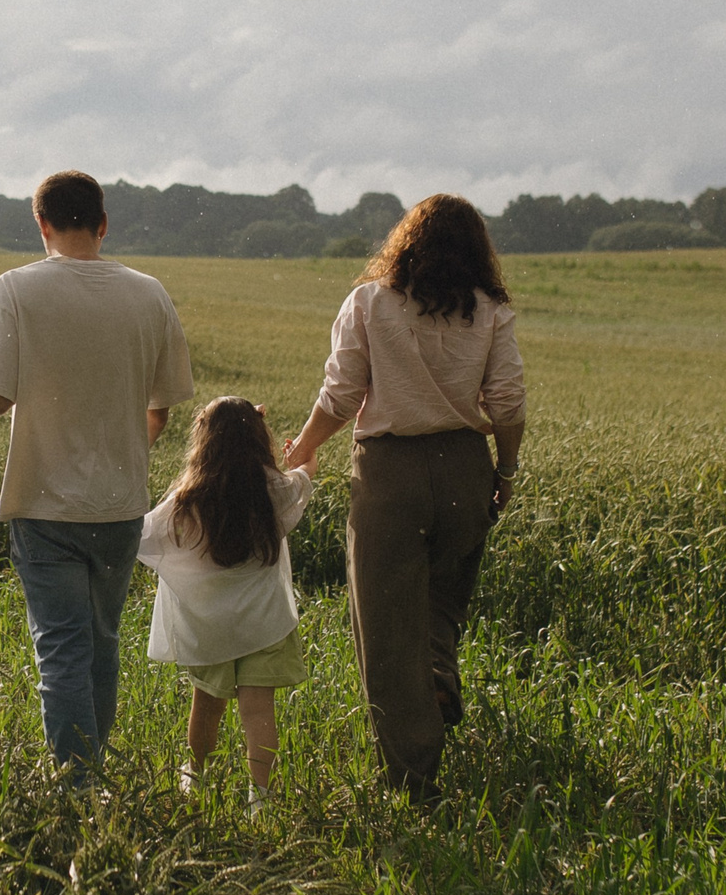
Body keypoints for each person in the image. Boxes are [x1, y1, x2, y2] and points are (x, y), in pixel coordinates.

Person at [0, 171, 193, 775]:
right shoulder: (150, 294)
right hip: (120, 507)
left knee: (62, 651)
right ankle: (94, 778)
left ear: (41, 224)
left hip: (44, 508)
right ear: (103, 225)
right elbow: (158, 413)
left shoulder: (16, 290)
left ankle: (78, 790)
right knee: (102, 645)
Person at [281, 194, 525, 806]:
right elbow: (509, 403)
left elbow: (341, 395)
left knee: (385, 628)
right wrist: (507, 471)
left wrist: (303, 448)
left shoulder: (369, 303)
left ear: (405, 241)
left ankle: (415, 782)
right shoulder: (491, 311)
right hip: (467, 469)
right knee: (443, 600)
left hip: (390, 475)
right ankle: (437, 681)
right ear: (477, 249)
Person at [137, 396, 314, 805]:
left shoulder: (187, 500)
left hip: (208, 628)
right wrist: (305, 453)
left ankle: (194, 778)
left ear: (204, 441)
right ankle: (261, 799)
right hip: (263, 623)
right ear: (259, 438)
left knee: (206, 707)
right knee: (258, 712)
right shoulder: (276, 490)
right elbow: (304, 476)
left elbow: (142, 536)